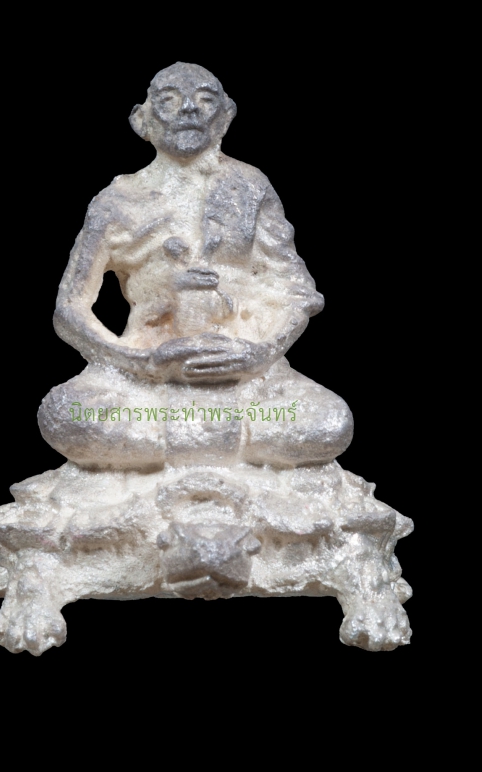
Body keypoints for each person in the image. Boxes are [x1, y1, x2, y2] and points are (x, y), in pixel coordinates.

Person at [38, 62, 353, 470]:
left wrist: (261, 354)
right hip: (144, 380)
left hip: (249, 380)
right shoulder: (116, 201)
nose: (189, 109)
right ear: (142, 120)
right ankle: (227, 449)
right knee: (67, 414)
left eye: (205, 100)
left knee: (330, 423)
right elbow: (70, 309)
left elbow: (295, 290)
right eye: (170, 100)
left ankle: (165, 452)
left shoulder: (249, 186)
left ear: (225, 115)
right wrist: (139, 361)